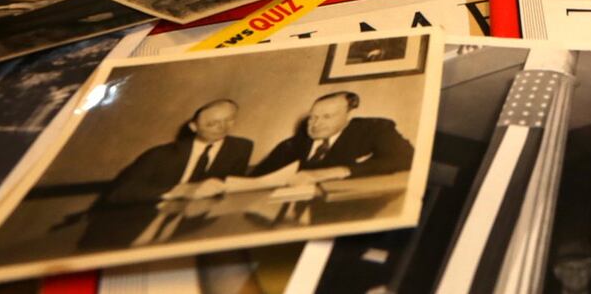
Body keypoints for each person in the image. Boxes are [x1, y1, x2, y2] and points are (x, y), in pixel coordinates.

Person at [98, 99, 254, 206]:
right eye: (212, 123)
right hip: (149, 215)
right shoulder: (160, 154)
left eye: (229, 120)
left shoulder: (241, 147)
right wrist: (175, 191)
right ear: (194, 127)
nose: (223, 127)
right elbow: (117, 193)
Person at [251, 90, 415, 183]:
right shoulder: (289, 146)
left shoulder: (374, 129)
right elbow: (255, 179)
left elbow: (407, 158)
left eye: (327, 117)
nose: (316, 124)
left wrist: (340, 171)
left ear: (349, 116)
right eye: (313, 117)